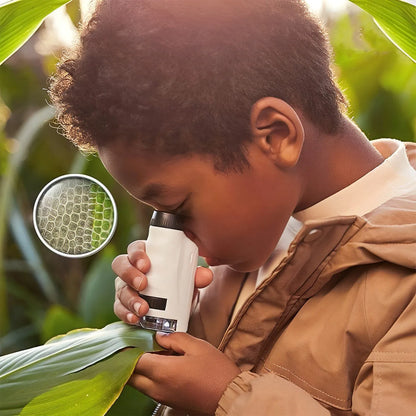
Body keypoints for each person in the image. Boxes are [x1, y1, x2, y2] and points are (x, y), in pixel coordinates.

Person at [49, 0, 416, 414]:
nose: (177, 234)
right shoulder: (258, 229)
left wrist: (225, 397)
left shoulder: (405, 279)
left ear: (276, 135)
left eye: (177, 207)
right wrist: (178, 320)